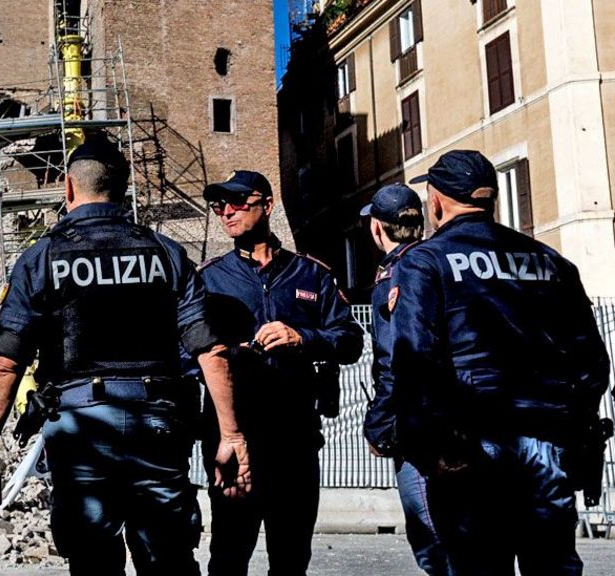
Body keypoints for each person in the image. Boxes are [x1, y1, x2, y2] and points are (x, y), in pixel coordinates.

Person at [0, 136, 252, 576]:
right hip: (157, 423)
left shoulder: (40, 259)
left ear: (68, 188)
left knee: (92, 561)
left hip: (80, 429)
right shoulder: (166, 254)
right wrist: (232, 436)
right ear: (125, 188)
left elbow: (6, 361)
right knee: (169, 562)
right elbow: (210, 351)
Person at [391, 150, 611, 575]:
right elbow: (592, 362)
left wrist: (431, 448)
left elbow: (415, 360)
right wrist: (576, 430)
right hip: (548, 445)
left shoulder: (425, 261)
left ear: (435, 201)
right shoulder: (551, 262)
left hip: (472, 447)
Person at [198, 171, 364, 576]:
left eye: (238, 202)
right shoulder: (208, 279)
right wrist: (231, 356)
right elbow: (186, 355)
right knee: (228, 556)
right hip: (235, 438)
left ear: (267, 205)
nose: (226, 212)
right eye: (219, 205)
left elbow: (350, 340)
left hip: (294, 438)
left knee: (291, 559)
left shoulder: (312, 275)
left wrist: (302, 338)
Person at [360, 184, 452, 575]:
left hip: (420, 428)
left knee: (433, 539)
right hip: (464, 419)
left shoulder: (398, 274)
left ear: (378, 228)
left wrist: (380, 425)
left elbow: (397, 357)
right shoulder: (439, 260)